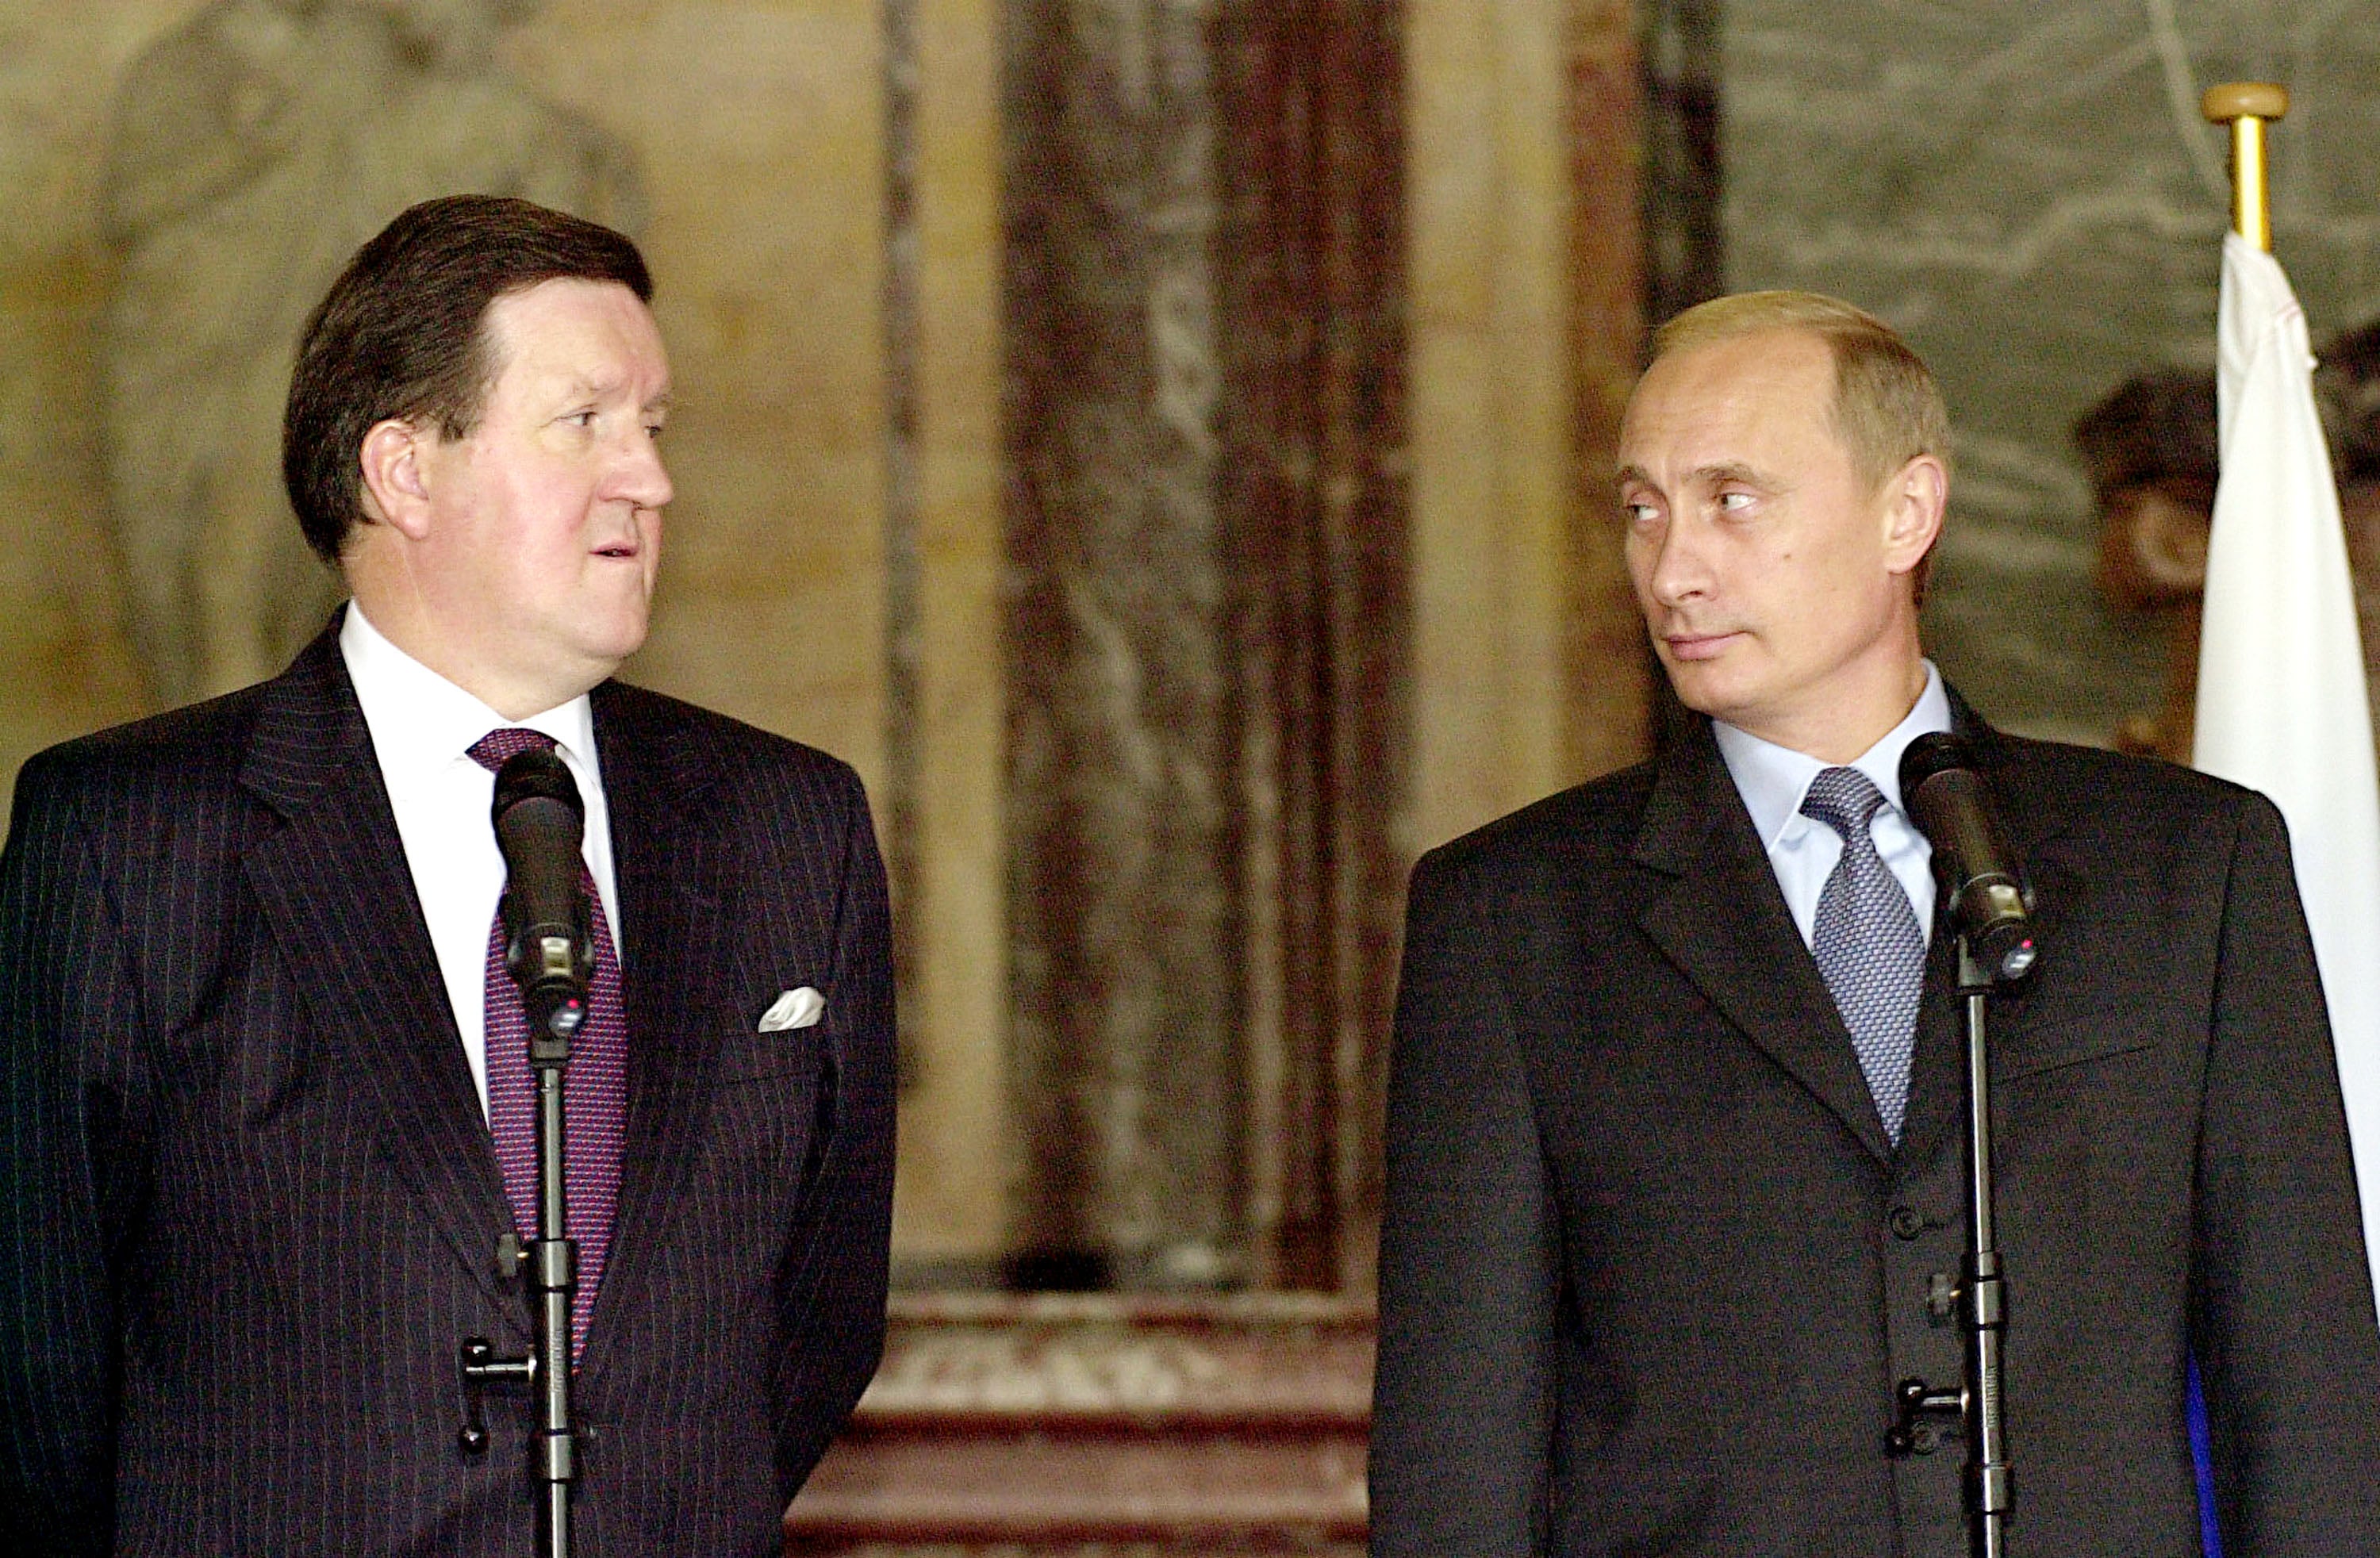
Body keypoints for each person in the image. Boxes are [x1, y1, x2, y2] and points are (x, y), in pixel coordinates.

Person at [1369, 290, 2380, 1556]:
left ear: (1908, 511)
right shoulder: (1512, 915)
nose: (1673, 568)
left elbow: (2306, 1383)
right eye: (1644, 507)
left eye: (1733, 500)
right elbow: (1454, 1444)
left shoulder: (2188, 866)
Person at [0, 195, 893, 1555]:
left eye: (653, 429)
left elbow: (821, 1318)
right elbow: (38, 1367)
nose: (648, 480)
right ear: (403, 471)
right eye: (583, 421)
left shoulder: (791, 826)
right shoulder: (130, 835)